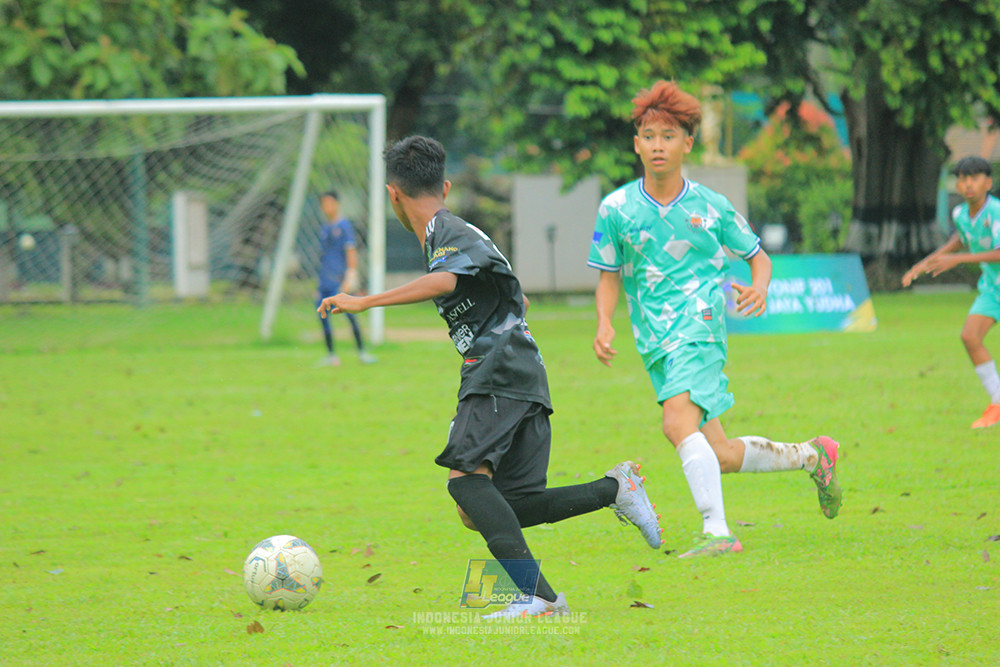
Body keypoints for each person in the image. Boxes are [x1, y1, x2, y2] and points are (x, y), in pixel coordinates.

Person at [319, 135, 662, 618]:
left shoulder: (446, 228)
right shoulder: (458, 231)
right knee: (490, 506)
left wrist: (363, 300)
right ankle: (614, 489)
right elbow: (512, 296)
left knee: (465, 484)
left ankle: (540, 599)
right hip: (518, 370)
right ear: (446, 183)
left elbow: (446, 281)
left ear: (393, 194)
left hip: (498, 368)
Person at [587, 80, 842, 558]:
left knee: (674, 421)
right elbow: (608, 275)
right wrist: (605, 322)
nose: (657, 145)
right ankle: (813, 455)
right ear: (636, 143)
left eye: (668, 135)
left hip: (700, 325)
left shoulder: (711, 205)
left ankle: (718, 532)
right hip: (654, 339)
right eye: (648, 135)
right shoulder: (616, 209)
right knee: (719, 453)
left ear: (687, 143)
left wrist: (760, 287)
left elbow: (758, 257)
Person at [902, 156, 1000, 428]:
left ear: (988, 182)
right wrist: (923, 265)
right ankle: (997, 402)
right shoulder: (960, 214)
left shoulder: (996, 213)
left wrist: (956, 260)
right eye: (962, 178)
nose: (968, 184)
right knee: (970, 336)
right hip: (994, 290)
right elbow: (959, 240)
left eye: (974, 177)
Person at [316, 190, 376, 366]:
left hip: (339, 279)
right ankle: (331, 355)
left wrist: (351, 275)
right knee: (323, 316)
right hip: (325, 280)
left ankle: (362, 352)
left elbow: (351, 251)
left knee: (350, 314)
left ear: (336, 204)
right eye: (323, 204)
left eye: (329, 203)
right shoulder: (325, 228)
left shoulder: (344, 226)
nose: (326, 207)